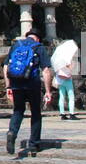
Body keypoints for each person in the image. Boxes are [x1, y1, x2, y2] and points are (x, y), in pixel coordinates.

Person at [4, 28, 53, 156]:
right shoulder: (39, 47)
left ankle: (12, 132)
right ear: (37, 38)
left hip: (16, 84)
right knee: (36, 113)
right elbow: (46, 71)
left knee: (18, 110)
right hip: (32, 84)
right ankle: (33, 144)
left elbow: (6, 67)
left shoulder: (16, 45)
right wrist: (48, 91)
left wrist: (8, 86)